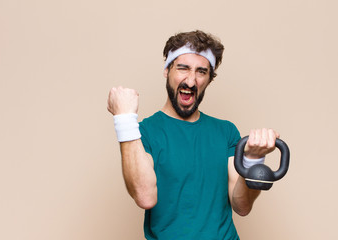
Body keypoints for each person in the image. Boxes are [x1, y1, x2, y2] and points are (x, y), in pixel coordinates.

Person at [107, 30, 280, 240]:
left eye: (201, 72)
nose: (191, 81)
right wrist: (125, 122)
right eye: (183, 68)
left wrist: (253, 162)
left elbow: (242, 206)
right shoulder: (144, 133)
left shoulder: (226, 131)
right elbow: (145, 197)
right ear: (167, 70)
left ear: (209, 79)